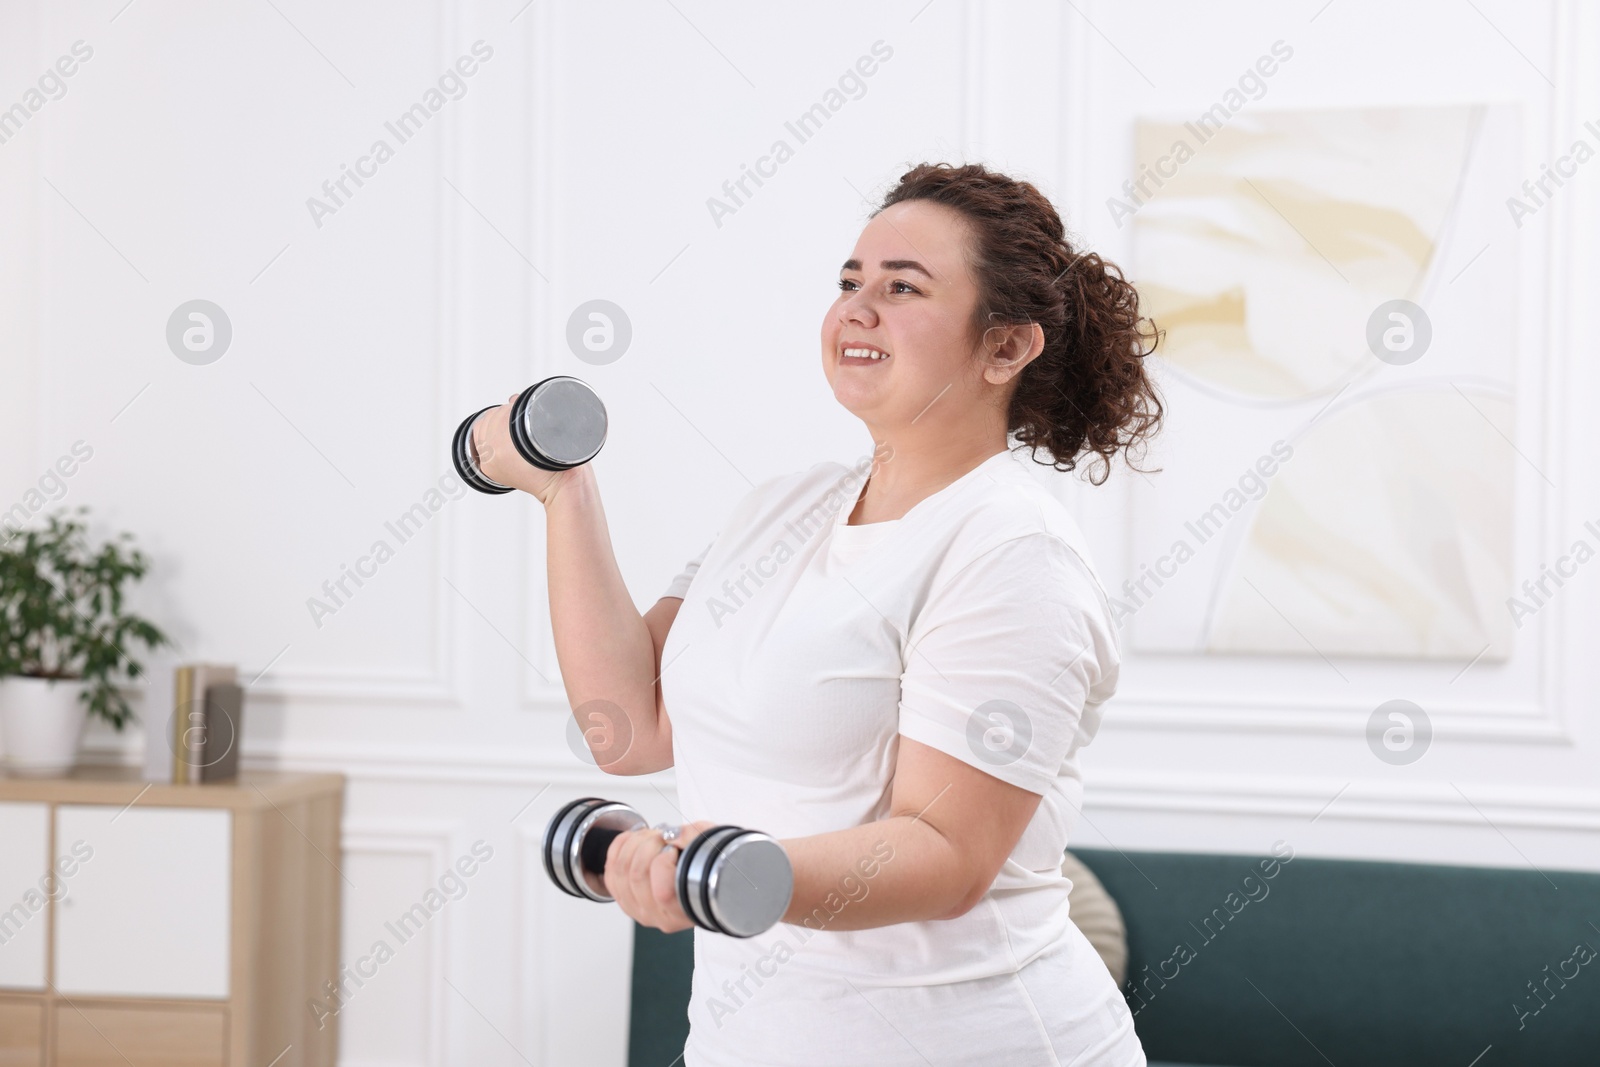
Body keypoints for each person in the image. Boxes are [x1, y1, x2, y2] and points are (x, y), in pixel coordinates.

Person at [473, 161, 1163, 1066]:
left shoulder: (1010, 550)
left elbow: (947, 853)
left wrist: (711, 868)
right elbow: (630, 727)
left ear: (1005, 348)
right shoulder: (781, 508)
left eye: (903, 286)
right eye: (849, 282)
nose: (857, 309)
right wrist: (564, 492)